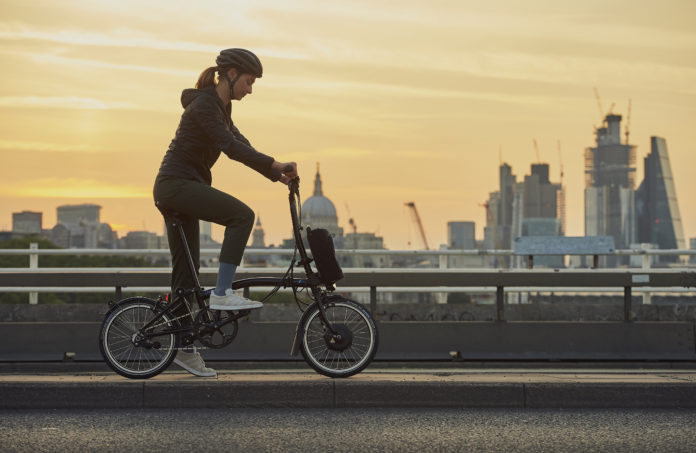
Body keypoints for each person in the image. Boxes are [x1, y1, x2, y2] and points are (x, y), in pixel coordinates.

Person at [153, 48, 297, 377]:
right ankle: (221, 294)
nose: (251, 89)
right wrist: (275, 165)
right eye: (249, 81)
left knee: (185, 278)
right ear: (230, 75)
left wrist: (276, 172)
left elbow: (238, 140)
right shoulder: (205, 104)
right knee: (242, 216)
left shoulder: (221, 105)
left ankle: (184, 349)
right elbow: (230, 148)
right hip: (176, 186)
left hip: (178, 189)